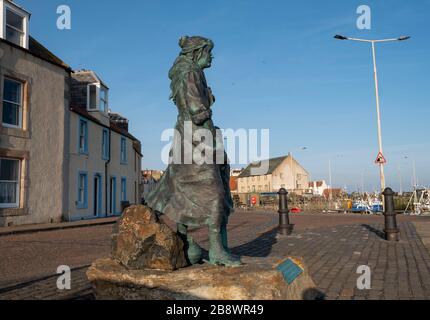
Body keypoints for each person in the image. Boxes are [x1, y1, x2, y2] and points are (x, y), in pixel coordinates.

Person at [146, 36, 241, 267]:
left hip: (186, 135)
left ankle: (188, 245)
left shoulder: (187, 71)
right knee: (214, 192)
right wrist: (208, 103)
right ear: (197, 53)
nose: (212, 57)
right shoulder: (190, 73)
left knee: (182, 189)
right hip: (197, 137)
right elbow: (197, 110)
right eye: (209, 52)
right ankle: (216, 250)